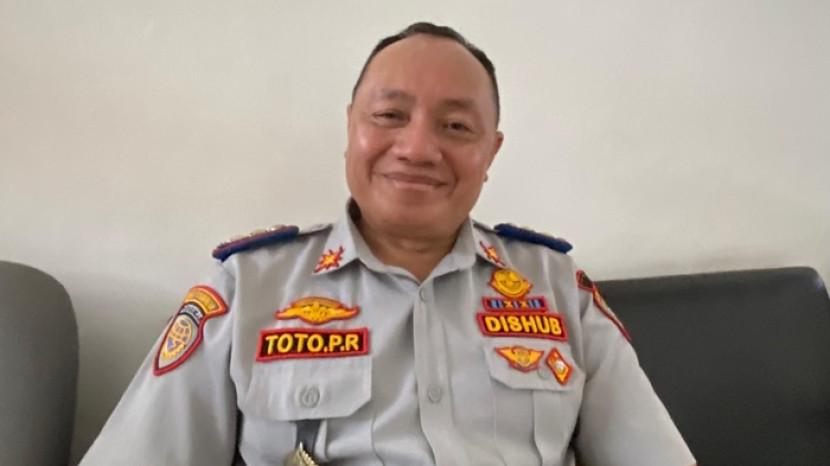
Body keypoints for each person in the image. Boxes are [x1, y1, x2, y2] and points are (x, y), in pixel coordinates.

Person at [81, 22, 696, 466]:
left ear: (491, 153)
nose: (418, 148)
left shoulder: (558, 289)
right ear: (351, 127)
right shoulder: (247, 288)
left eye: (456, 126)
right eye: (389, 116)